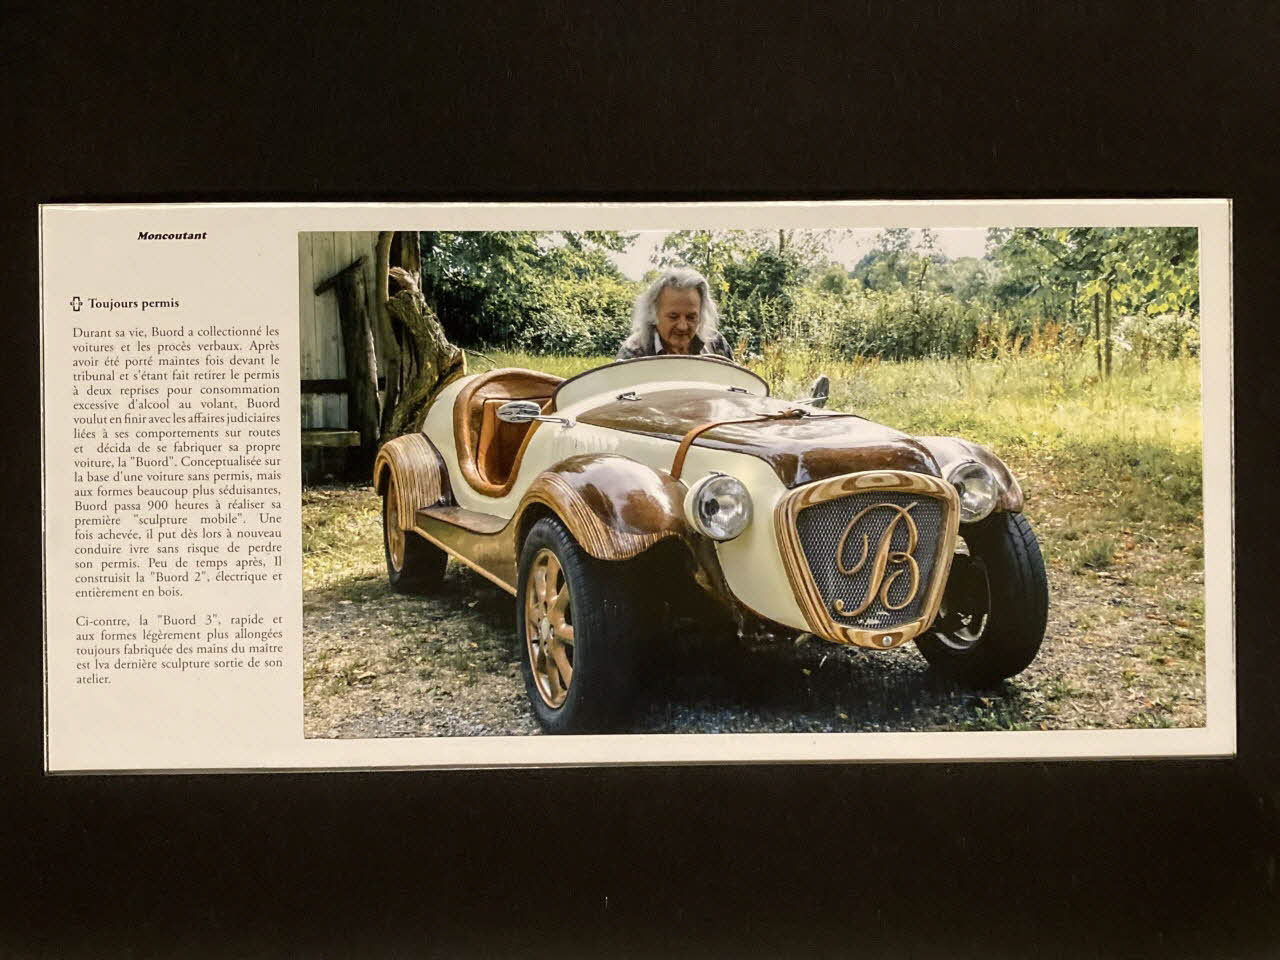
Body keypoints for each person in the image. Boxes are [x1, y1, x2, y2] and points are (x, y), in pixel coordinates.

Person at [616, 267, 734, 361]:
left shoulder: (716, 344)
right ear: (653, 314)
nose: (682, 326)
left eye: (691, 317)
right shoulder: (633, 353)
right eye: (673, 317)